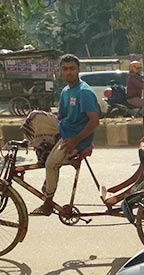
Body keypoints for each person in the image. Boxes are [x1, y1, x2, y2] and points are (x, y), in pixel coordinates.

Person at [31, 54, 100, 216]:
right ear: (61, 71)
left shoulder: (84, 92)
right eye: (65, 69)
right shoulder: (65, 91)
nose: (69, 72)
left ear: (78, 70)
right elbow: (61, 116)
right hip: (65, 132)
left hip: (76, 139)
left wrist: (76, 140)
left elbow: (94, 122)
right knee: (35, 117)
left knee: (50, 164)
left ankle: (48, 203)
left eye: (72, 68)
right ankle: (52, 161)